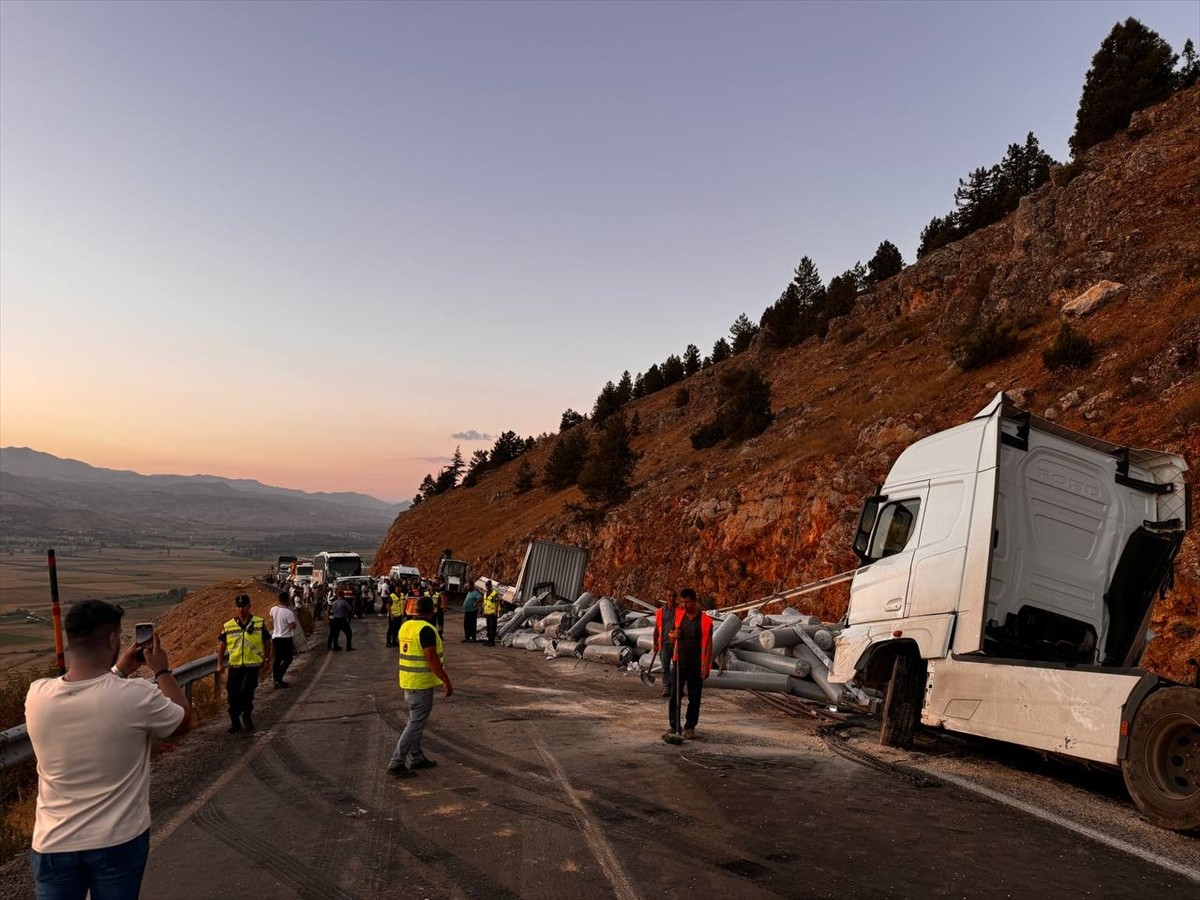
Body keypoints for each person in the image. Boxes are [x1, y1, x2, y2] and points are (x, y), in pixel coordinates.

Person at [25, 600, 191, 900]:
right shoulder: (137, 696)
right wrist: (162, 670)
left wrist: (118, 670)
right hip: (118, 840)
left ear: (71, 638)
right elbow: (182, 720)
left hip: (53, 842)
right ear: (113, 639)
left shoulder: (37, 695)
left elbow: (92, 696)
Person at [387, 596, 452, 778]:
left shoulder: (406, 626)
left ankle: (417, 756)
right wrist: (446, 680)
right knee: (415, 724)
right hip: (421, 684)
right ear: (432, 611)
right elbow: (431, 658)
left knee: (416, 721)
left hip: (408, 681)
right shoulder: (427, 630)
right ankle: (397, 762)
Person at [217, 594, 271, 733]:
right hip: (235, 666)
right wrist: (220, 664)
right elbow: (222, 645)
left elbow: (267, 641)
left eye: (244, 606)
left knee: (246, 692)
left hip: (252, 666)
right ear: (235, 608)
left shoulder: (259, 623)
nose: (241, 609)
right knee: (232, 694)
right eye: (238, 606)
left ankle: (247, 717)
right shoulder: (228, 625)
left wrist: (267, 659)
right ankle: (235, 722)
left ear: (249, 606)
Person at [665, 588, 713, 741]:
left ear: (695, 602)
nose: (684, 605)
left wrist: (706, 666)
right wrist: (674, 635)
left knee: (694, 697)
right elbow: (670, 635)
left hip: (696, 664)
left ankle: (690, 727)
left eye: (687, 602)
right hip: (679, 662)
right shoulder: (679, 616)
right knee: (674, 695)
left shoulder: (705, 621)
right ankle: (674, 725)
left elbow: (709, 644)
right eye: (682, 602)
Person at [268, 590, 298, 688]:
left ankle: (276, 680)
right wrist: (293, 624)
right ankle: (278, 678)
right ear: (287, 600)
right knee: (288, 659)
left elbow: (272, 618)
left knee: (277, 659)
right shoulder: (288, 612)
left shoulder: (273, 609)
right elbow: (292, 626)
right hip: (286, 638)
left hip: (276, 637)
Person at [652, 591, 679, 699]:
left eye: (673, 596)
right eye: (669, 596)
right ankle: (666, 687)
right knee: (665, 667)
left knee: (677, 667)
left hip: (677, 644)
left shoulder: (680, 610)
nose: (671, 598)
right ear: (666, 597)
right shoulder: (660, 612)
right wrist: (655, 643)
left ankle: (677, 687)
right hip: (664, 643)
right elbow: (656, 629)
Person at [481, 580, 501, 647]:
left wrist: (496, 612)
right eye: (486, 586)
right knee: (488, 627)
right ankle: (489, 640)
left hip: (492, 613)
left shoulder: (494, 594)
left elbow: (497, 603)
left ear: (491, 586)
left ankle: (492, 642)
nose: (487, 587)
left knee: (492, 627)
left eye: (488, 586)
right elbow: (485, 603)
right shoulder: (485, 594)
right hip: (487, 613)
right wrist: (484, 611)